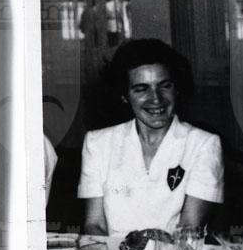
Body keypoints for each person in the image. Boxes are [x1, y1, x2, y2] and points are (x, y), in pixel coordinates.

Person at [77, 39, 224, 236]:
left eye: (165, 86)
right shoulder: (97, 143)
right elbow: (94, 225)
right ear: (124, 95)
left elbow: (189, 229)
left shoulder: (203, 144)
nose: (156, 99)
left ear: (177, 89)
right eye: (141, 89)